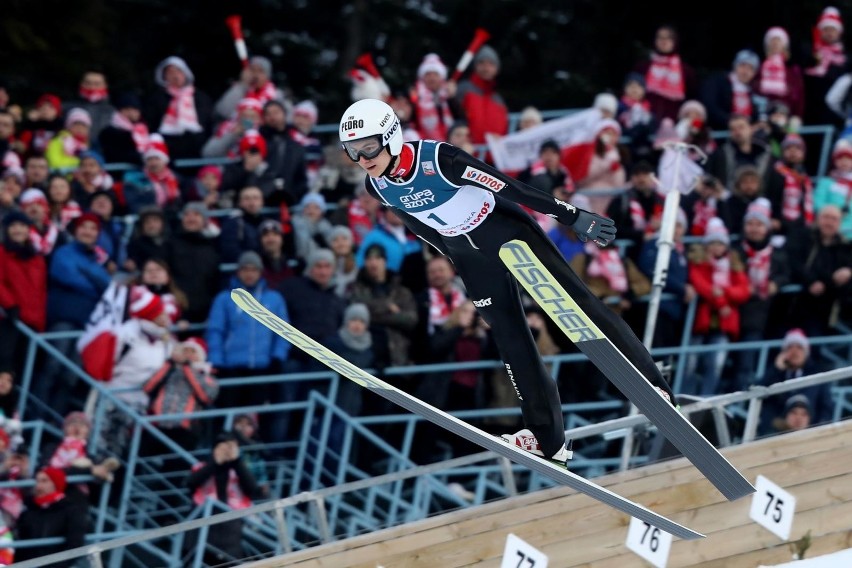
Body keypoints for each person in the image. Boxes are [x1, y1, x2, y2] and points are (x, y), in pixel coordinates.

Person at [337, 98, 674, 466]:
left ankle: (652, 384)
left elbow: (509, 187)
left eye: (368, 146)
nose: (363, 158)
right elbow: (416, 223)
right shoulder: (377, 186)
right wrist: (454, 258)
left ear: (391, 136)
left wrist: (571, 215)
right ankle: (547, 436)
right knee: (510, 338)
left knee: (576, 305)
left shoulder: (440, 160)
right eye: (353, 151)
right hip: (469, 255)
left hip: (504, 230)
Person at [14, 467, 86, 567]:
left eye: (44, 481)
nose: (38, 486)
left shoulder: (70, 510)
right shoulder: (30, 509)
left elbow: (75, 544)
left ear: (56, 484)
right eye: (37, 481)